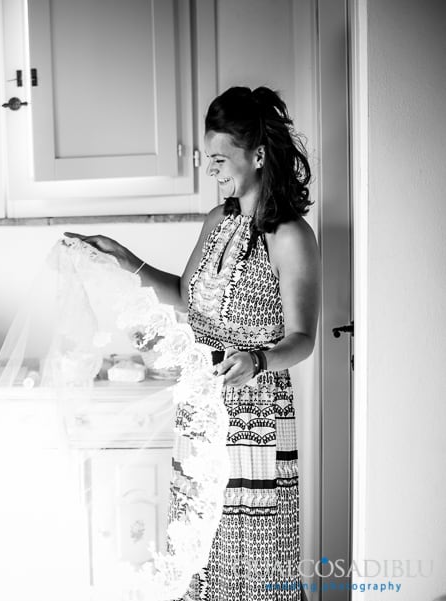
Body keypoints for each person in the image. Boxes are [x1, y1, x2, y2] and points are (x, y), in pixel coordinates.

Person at [67, 86, 320, 600]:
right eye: (209, 159)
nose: (213, 170)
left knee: (252, 553)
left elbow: (304, 339)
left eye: (221, 158)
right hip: (201, 407)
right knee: (202, 550)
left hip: (256, 414)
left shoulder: (291, 235)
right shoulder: (217, 221)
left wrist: (257, 359)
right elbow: (185, 298)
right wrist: (121, 256)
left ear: (258, 155)